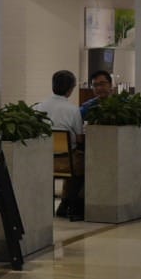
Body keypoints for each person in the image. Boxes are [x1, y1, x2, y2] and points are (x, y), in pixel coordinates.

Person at [35, 70, 84, 220]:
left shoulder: (38, 107)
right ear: (70, 89)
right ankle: (67, 204)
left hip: (43, 160)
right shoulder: (73, 110)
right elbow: (80, 138)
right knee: (83, 163)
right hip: (66, 162)